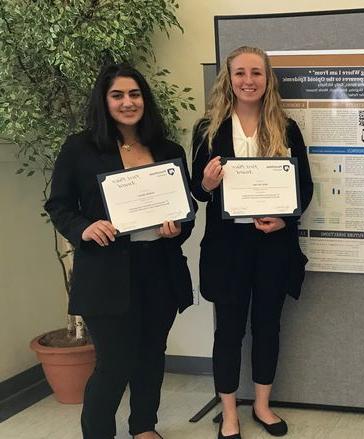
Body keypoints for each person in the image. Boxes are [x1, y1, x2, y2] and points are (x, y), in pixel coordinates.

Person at [45, 63, 195, 439]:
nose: (128, 102)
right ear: (104, 101)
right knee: (113, 364)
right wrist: (85, 228)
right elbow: (59, 206)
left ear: (144, 99)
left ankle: (144, 427)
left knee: (150, 358)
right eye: (118, 95)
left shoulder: (168, 149)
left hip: (159, 270)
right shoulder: (80, 148)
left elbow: (186, 212)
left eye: (135, 94)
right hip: (106, 274)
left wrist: (176, 227)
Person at [190, 46, 313, 439]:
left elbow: (305, 188)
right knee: (227, 330)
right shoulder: (207, 129)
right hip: (227, 249)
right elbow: (197, 190)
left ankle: (262, 404)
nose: (248, 80)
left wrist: (284, 218)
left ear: (267, 79)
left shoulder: (287, 128)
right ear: (228, 78)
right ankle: (229, 412)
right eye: (240, 73)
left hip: (272, 246)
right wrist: (207, 184)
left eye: (256, 73)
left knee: (267, 326)